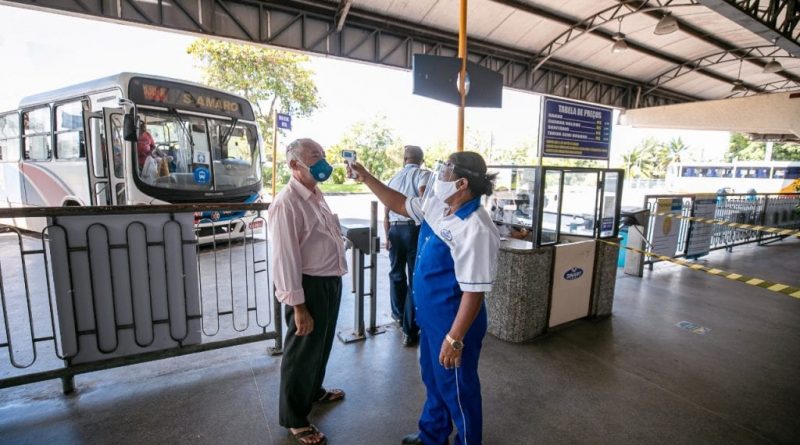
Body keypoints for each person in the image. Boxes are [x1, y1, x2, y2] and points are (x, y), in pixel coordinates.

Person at [349, 151, 500, 445]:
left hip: (454, 323)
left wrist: (455, 338)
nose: (439, 175)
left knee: (458, 389)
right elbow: (400, 203)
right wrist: (366, 176)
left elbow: (474, 292)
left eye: (445, 171)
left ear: (462, 183)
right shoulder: (439, 205)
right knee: (434, 380)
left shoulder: (476, 227)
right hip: (432, 318)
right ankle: (432, 435)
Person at [269, 138, 348, 445]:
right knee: (301, 352)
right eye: (315, 156)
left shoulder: (315, 194)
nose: (323, 161)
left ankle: (313, 390)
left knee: (321, 344)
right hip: (308, 286)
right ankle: (294, 417)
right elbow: (286, 258)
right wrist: (299, 306)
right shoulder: (287, 202)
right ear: (294, 165)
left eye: (323, 154)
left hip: (329, 282)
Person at [384, 145, 431, 346]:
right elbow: (423, 197)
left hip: (394, 229)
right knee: (415, 277)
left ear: (404, 159)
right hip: (413, 229)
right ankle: (409, 328)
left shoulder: (393, 178)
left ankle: (397, 314)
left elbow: (385, 210)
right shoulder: (424, 173)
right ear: (421, 159)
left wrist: (387, 235)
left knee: (396, 273)